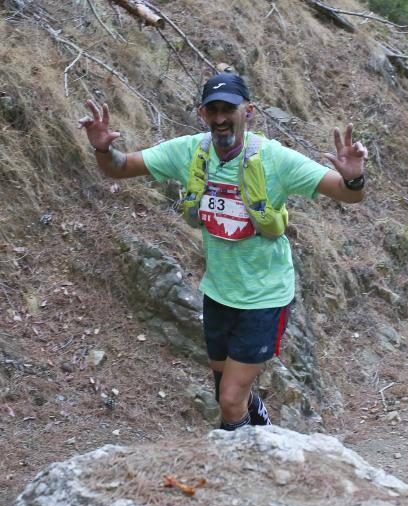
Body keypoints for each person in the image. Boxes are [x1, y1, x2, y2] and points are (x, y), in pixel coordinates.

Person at [78, 73, 369, 431]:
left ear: (248, 111)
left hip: (264, 297)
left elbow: (347, 194)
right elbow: (120, 168)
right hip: (219, 292)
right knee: (227, 392)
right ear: (202, 113)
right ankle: (262, 435)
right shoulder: (188, 152)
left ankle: (245, 469)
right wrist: (103, 148)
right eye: (212, 109)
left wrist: (353, 177)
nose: (220, 118)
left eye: (228, 108)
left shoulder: (275, 159)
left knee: (230, 400)